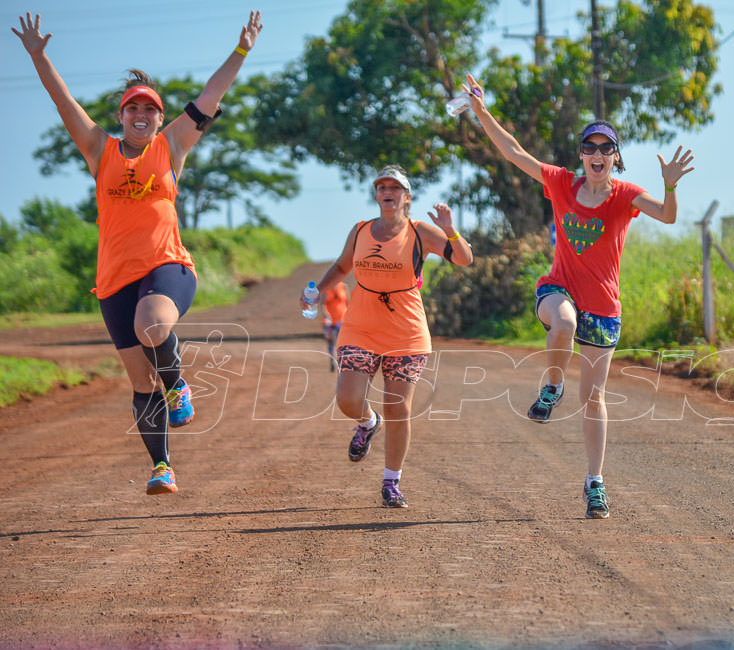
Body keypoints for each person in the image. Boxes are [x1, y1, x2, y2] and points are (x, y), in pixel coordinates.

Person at [12, 11, 263, 495]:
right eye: (133, 109)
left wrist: (242, 50)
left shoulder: (171, 147)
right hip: (113, 280)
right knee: (139, 379)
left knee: (151, 325)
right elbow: (64, 104)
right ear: (121, 116)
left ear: (161, 118)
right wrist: (40, 58)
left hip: (168, 268)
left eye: (150, 109)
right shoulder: (98, 150)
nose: (141, 116)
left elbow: (211, 96)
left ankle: (179, 385)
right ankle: (162, 467)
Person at [462, 73, 695, 519]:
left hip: (604, 308)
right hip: (559, 289)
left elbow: (667, 216)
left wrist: (670, 184)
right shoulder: (561, 184)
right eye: (589, 147)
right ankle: (552, 387)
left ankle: (594, 483)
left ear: (616, 157)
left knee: (595, 397)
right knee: (562, 322)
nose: (597, 155)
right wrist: (480, 110)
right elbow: (514, 152)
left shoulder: (625, 196)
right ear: (580, 155)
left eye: (606, 148)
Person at [312, 165, 473, 508]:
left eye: (395, 187)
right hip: (360, 327)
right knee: (348, 400)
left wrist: (451, 231)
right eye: (382, 186)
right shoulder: (361, 231)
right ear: (376, 194)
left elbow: (464, 259)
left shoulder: (421, 233)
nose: (388, 191)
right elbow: (342, 267)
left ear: (407, 196)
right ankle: (368, 423)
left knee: (399, 407)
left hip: (407, 332)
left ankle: (391, 482)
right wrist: (314, 291)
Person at [321, 281, 348, 372]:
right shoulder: (327, 288)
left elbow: (347, 302)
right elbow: (323, 304)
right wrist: (326, 314)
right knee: (331, 342)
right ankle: (332, 360)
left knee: (342, 342)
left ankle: (340, 362)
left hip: (342, 319)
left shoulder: (343, 286)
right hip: (329, 321)